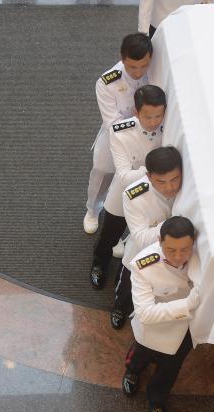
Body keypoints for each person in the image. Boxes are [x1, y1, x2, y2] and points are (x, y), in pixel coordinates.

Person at [122, 216, 201, 412]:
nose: (178, 257)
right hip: (154, 326)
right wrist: (188, 305)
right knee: (140, 355)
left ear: (194, 242)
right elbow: (145, 314)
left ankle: (157, 398)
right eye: (170, 250)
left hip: (185, 327)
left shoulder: (200, 259)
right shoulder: (143, 265)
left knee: (171, 366)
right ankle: (133, 371)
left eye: (184, 249)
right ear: (159, 241)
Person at [90, 85, 166, 289]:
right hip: (124, 193)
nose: (154, 122)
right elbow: (124, 177)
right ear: (136, 112)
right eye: (148, 117)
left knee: (143, 237)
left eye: (158, 116)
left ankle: (126, 277)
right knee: (110, 233)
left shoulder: (167, 130)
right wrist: (154, 170)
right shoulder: (120, 132)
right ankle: (99, 263)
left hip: (155, 194)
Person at [84, 34, 153, 235]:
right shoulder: (107, 82)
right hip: (115, 138)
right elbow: (113, 124)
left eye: (144, 66)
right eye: (132, 67)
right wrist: (140, 119)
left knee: (137, 181)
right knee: (102, 173)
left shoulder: (154, 71)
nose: (138, 72)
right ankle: (93, 209)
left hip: (147, 135)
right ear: (122, 59)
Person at [111, 146, 183, 329]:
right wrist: (173, 223)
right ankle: (119, 308)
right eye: (162, 182)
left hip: (172, 257)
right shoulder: (134, 196)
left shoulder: (186, 189)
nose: (170, 187)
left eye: (175, 179)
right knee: (126, 286)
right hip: (141, 254)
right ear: (149, 177)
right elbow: (141, 239)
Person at [138, 0, 214, 37]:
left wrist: (207, 20)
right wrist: (144, 35)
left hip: (192, 21)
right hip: (160, 24)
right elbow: (146, 4)